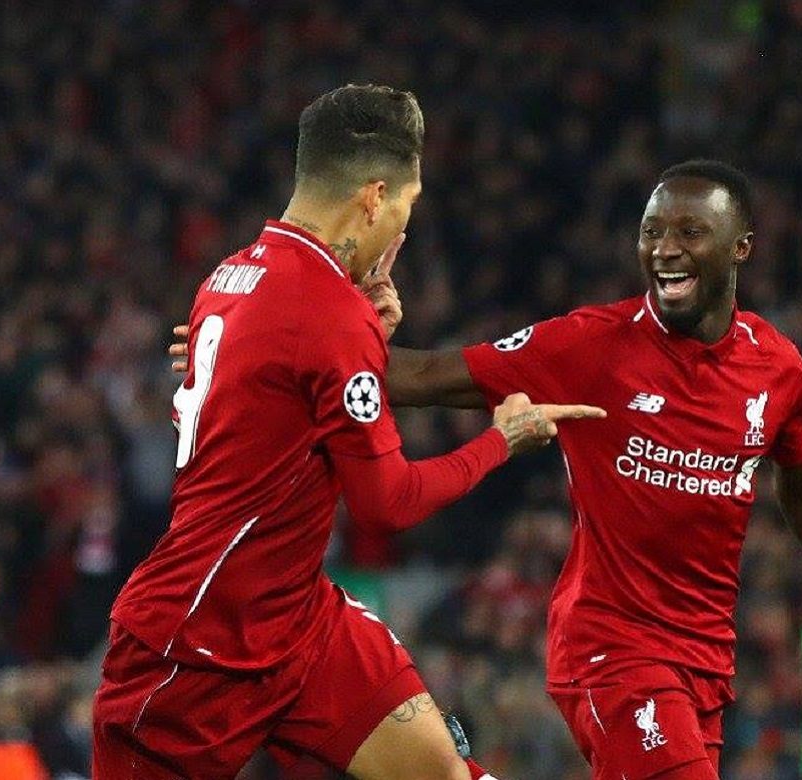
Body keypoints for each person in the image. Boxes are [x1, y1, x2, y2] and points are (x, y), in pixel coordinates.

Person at [173, 159, 802, 779]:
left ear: (741, 248)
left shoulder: (776, 367)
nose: (665, 250)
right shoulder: (591, 346)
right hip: (613, 651)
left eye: (690, 233)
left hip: (704, 662)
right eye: (651, 232)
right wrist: (256, 346)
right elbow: (424, 376)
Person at [94, 84, 603, 780]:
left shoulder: (228, 277)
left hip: (298, 619)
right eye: (406, 205)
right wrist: (501, 441)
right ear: (372, 197)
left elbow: (269, 403)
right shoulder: (328, 312)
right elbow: (386, 503)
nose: (402, 228)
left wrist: (362, 341)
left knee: (446, 774)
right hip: (193, 642)